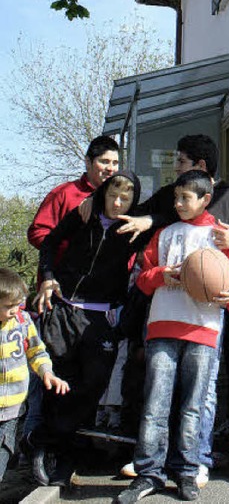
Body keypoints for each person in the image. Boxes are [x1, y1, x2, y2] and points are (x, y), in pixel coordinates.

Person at [89, 134, 229, 486]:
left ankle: (195, 460)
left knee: (201, 395)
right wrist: (137, 219)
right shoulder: (171, 213)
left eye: (181, 164)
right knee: (158, 393)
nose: (175, 174)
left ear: (200, 169)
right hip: (164, 315)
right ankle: (155, 462)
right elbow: (143, 222)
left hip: (206, 317)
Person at [115, 170, 229, 504]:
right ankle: (149, 474)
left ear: (205, 199)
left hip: (203, 332)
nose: (177, 203)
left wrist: (228, 296)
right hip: (162, 327)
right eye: (175, 198)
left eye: (185, 198)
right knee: (155, 406)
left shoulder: (219, 238)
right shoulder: (165, 234)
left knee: (193, 407)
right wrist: (164, 274)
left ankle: (187, 472)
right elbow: (143, 280)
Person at [25, 172, 150, 488]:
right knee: (59, 380)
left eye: (126, 197)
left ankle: (52, 439)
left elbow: (166, 209)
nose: (117, 202)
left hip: (103, 315)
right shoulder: (83, 214)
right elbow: (49, 243)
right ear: (103, 193)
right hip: (65, 308)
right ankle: (55, 452)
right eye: (112, 195)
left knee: (93, 383)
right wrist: (49, 276)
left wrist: (148, 221)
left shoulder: (133, 226)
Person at [0, 268, 69, 482]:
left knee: (3, 451)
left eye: (18, 305)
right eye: (9, 306)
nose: (15, 310)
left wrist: (46, 372)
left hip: (12, 408)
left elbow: (36, 351)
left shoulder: (23, 322)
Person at [28, 135, 120, 252]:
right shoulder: (63, 193)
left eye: (115, 163)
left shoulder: (122, 198)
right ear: (88, 162)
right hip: (63, 268)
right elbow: (37, 232)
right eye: (104, 161)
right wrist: (72, 250)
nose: (111, 168)